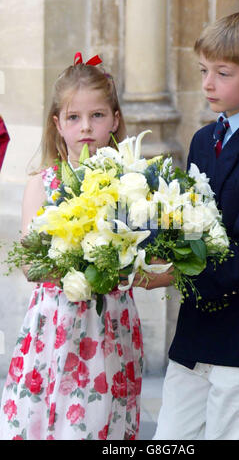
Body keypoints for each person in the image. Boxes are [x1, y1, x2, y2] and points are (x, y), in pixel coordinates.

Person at [133, 12, 239, 440]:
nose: (207, 84)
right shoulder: (204, 141)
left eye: (222, 73)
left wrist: (175, 274)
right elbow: (188, 226)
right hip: (197, 337)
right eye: (203, 71)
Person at [0, 53, 143, 440]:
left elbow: (146, 253)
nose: (86, 128)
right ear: (57, 124)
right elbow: (32, 267)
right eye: (74, 118)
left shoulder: (131, 184)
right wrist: (84, 257)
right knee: (53, 421)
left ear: (114, 120)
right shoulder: (42, 183)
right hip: (55, 324)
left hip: (110, 322)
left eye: (97, 116)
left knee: (103, 423)